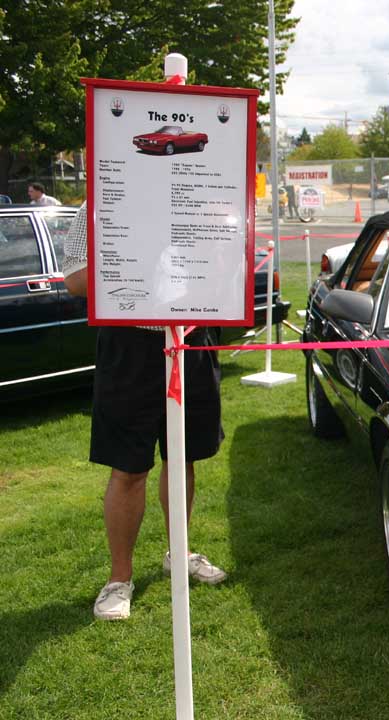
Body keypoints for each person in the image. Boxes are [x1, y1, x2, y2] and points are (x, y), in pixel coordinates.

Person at [61, 203, 227, 621]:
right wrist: (136, 251)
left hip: (192, 335)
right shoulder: (101, 196)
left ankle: (179, 552)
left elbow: (225, 258)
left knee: (183, 457)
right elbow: (76, 281)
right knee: (129, 467)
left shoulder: (202, 187)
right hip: (130, 341)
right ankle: (120, 579)